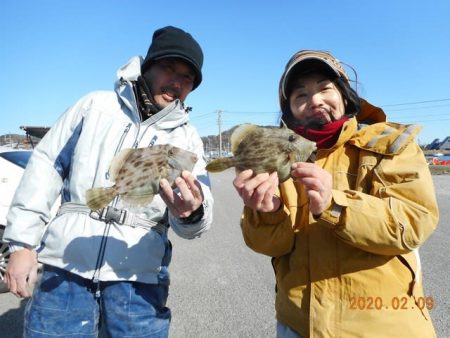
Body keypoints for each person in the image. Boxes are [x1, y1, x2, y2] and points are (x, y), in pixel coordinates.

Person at [3, 25, 213, 337]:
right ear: (147, 67)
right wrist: (21, 244)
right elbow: (45, 166)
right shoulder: (95, 107)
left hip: (139, 283)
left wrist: (191, 211)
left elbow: (198, 216)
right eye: (169, 68)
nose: (177, 82)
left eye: (187, 77)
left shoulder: (188, 138)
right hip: (65, 269)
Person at [233, 50, 439, 337]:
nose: (314, 100)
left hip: (385, 326)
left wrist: (335, 205)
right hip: (298, 324)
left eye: (324, 88)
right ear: (289, 110)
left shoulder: (390, 145)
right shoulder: (279, 160)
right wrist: (265, 213)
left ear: (344, 94)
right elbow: (270, 246)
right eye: (300, 95)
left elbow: (412, 223)